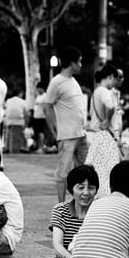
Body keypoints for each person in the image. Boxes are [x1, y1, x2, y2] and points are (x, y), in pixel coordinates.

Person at [43, 47, 89, 204]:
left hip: (80, 134)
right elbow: (47, 106)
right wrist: (54, 129)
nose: (81, 65)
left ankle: (81, 203)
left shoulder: (72, 81)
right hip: (67, 135)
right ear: (72, 63)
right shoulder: (57, 82)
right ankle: (61, 206)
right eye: (79, 62)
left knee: (85, 171)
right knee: (63, 173)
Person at [49, 165, 99, 258]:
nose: (86, 193)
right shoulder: (60, 210)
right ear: (71, 189)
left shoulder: (99, 211)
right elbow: (57, 245)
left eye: (91, 188)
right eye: (81, 187)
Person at [86, 65, 121, 199]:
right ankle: (106, 203)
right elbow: (110, 106)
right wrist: (107, 119)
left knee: (98, 172)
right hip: (106, 136)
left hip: (97, 136)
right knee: (108, 173)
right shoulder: (105, 91)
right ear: (111, 77)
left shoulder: (96, 92)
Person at [4, 87, 29, 153]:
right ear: (20, 94)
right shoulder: (23, 101)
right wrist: (26, 124)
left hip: (9, 121)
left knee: (9, 135)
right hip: (19, 121)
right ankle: (23, 147)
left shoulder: (8, 100)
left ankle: (8, 147)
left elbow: (6, 110)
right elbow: (26, 113)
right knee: (21, 136)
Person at [32, 85, 47, 153]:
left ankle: (41, 147)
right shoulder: (39, 96)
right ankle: (38, 146)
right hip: (36, 116)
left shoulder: (44, 96)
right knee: (37, 132)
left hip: (41, 116)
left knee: (41, 132)